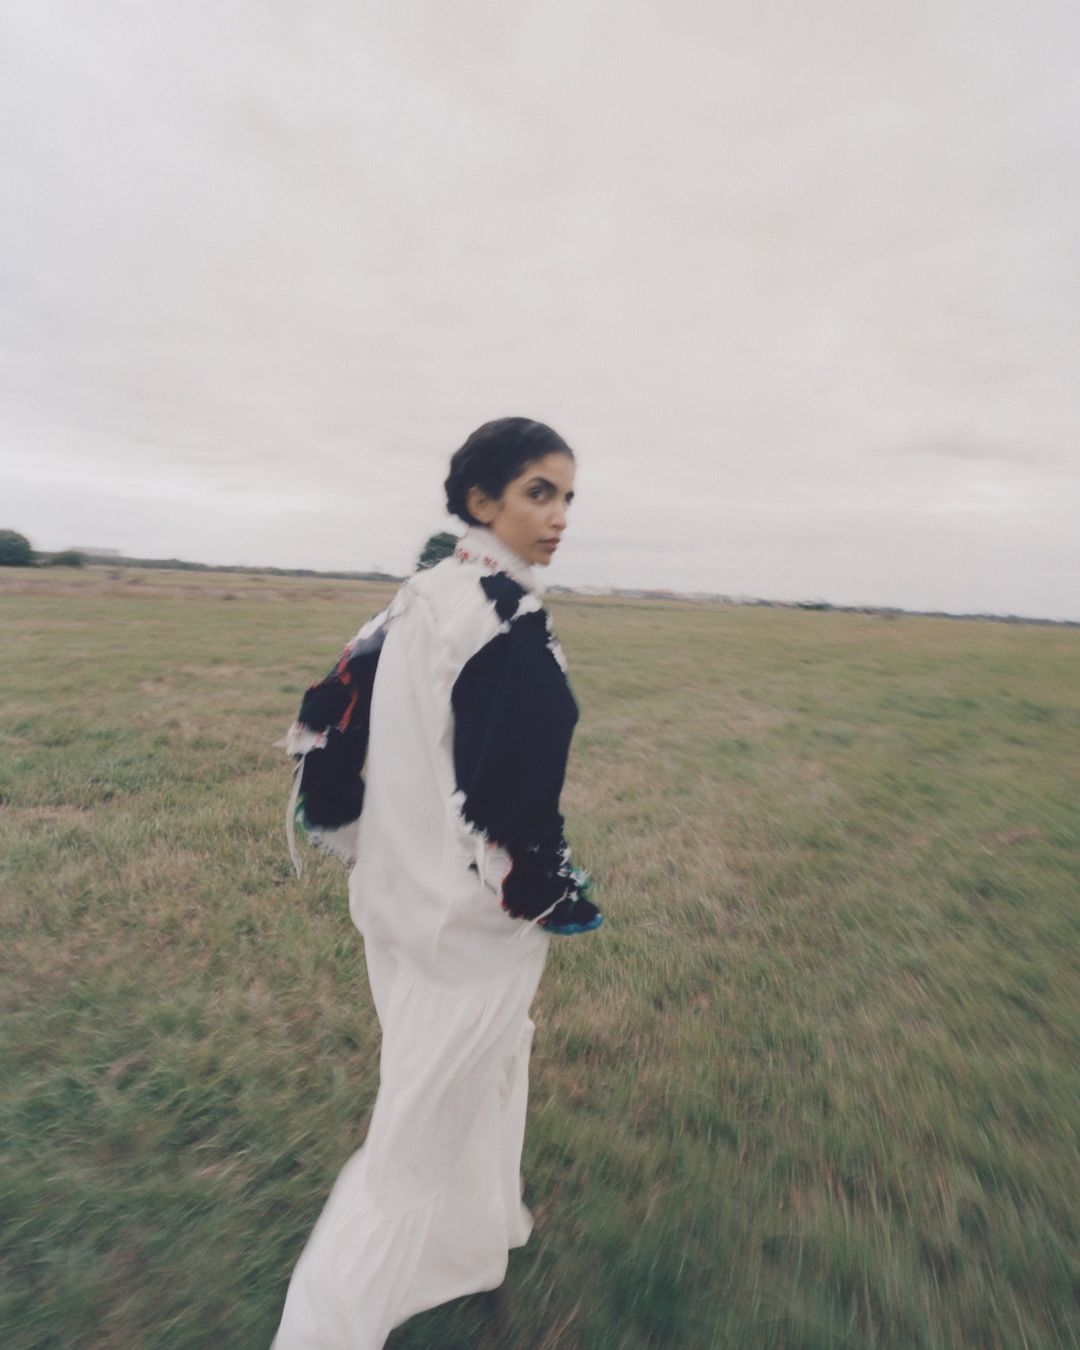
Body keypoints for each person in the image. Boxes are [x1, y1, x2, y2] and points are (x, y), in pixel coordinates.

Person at [272, 417, 601, 1349]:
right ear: (480, 501)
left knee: (487, 1079)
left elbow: (336, 733)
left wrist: (366, 843)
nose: (560, 516)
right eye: (539, 492)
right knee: (409, 1149)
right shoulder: (501, 618)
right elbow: (514, 799)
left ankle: (471, 1245)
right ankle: (324, 1329)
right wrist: (533, 892)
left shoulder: (417, 600)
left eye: (568, 497)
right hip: (466, 928)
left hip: (397, 903)